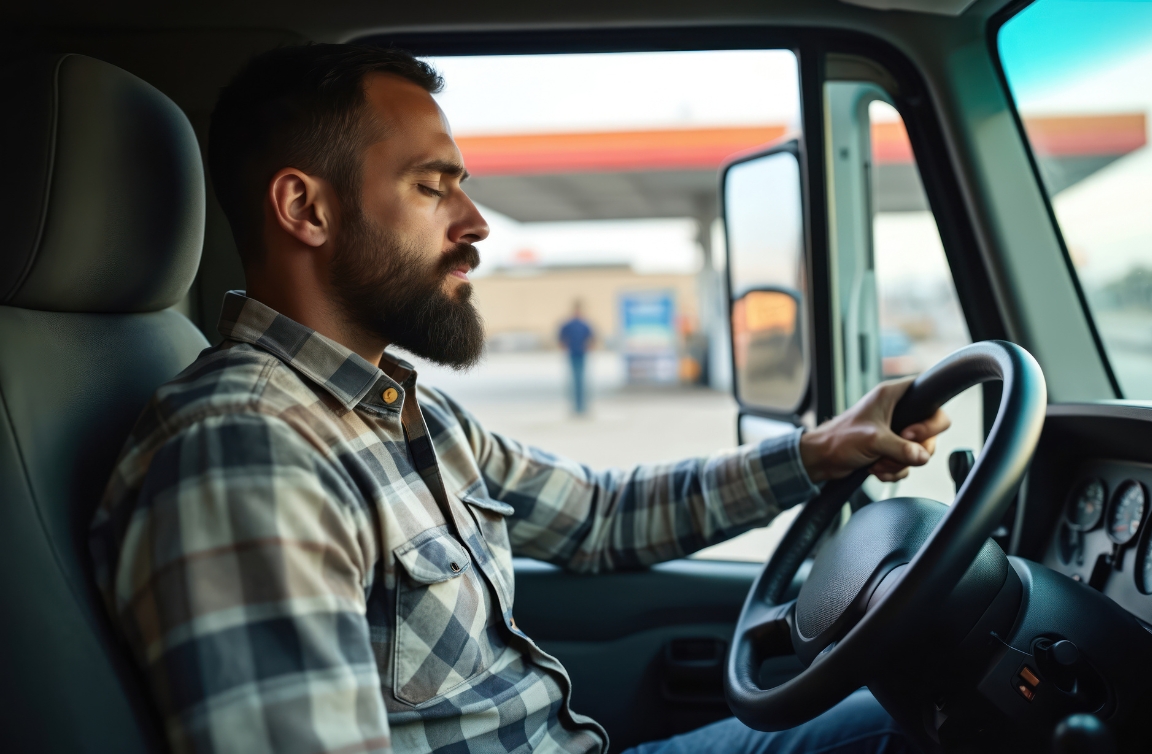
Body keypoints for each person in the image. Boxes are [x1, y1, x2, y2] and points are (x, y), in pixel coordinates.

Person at [89, 44, 950, 754]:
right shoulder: (249, 452)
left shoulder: (398, 412)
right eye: (432, 187)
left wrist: (817, 451)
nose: (476, 222)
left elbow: (603, 516)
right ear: (304, 209)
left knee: (918, 713)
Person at [558, 301, 594, 414]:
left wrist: (588, 347)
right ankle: (575, 406)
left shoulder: (584, 324)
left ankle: (582, 406)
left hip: (582, 354)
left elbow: (592, 338)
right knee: (574, 381)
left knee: (581, 380)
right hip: (572, 354)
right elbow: (561, 338)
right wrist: (564, 347)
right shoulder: (568, 324)